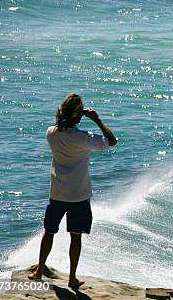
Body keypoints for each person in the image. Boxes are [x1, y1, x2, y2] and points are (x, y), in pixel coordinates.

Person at [28, 94, 117, 289]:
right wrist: (97, 120)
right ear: (78, 115)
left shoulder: (51, 132)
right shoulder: (83, 138)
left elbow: (62, 126)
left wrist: (74, 117)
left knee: (49, 232)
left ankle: (39, 270)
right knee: (75, 237)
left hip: (57, 193)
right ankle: (72, 278)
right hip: (78, 195)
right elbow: (112, 141)